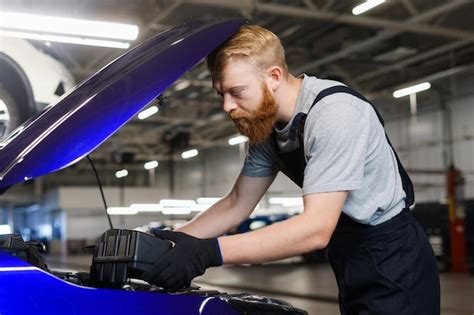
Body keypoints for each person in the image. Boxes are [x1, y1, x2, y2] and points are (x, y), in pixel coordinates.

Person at [142, 25, 440, 314]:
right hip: (349, 253)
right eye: (221, 94)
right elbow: (236, 203)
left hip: (393, 255)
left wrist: (207, 252)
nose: (227, 106)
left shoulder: (335, 114)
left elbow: (316, 229)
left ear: (273, 76)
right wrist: (168, 243)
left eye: (236, 91)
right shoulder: (267, 127)